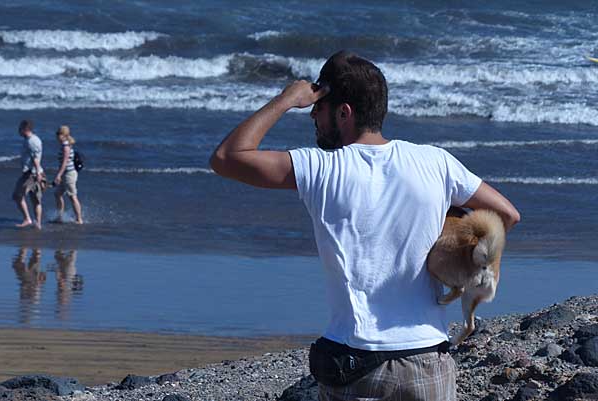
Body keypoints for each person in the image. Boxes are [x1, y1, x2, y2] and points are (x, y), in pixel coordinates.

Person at [210, 51, 520, 401]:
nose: (312, 113)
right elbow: (507, 215)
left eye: (319, 107)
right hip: (428, 359)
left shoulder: (321, 168)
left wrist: (285, 101)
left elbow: (227, 158)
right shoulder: (436, 163)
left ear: (344, 113)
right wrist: (452, 237)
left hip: (357, 363)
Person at [12, 120, 45, 229]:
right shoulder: (31, 139)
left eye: (20, 128)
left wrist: (38, 174)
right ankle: (37, 223)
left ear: (25, 129)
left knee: (17, 196)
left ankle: (28, 219)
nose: (18, 131)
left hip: (31, 174)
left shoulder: (31, 141)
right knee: (35, 199)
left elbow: (35, 159)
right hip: (36, 173)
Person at [53, 125, 83, 224]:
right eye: (57, 133)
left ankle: (79, 219)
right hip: (65, 174)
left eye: (59, 134)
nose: (57, 136)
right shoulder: (64, 145)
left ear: (64, 135)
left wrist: (58, 175)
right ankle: (60, 217)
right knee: (57, 194)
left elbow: (65, 162)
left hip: (69, 174)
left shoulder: (66, 146)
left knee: (72, 196)